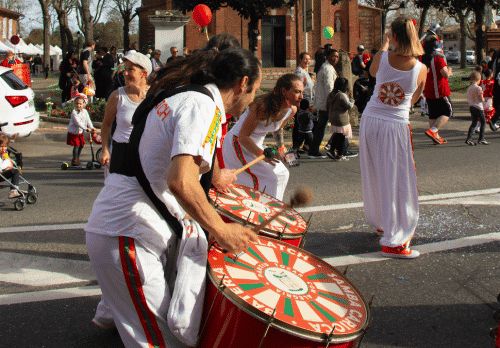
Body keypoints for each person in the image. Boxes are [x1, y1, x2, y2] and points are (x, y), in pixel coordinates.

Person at [85, 46, 261, 348]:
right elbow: (180, 181)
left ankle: (110, 314)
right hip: (127, 232)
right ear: (242, 83)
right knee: (163, 343)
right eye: (255, 90)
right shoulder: (202, 107)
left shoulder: (189, 96)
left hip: (128, 228)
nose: (253, 100)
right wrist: (221, 228)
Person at [360, 16, 427, 259]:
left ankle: (382, 222)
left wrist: (385, 45)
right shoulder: (421, 69)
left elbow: (373, 72)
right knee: (399, 179)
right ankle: (395, 240)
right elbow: (414, 100)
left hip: (371, 119)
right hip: (395, 124)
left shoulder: (382, 56)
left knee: (375, 173)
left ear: (394, 36)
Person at [222, 73, 303, 200]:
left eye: (302, 92)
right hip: (237, 144)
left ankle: (271, 208)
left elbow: (278, 129)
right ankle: (266, 210)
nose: (301, 97)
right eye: (297, 92)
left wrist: (281, 148)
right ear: (284, 91)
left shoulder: (291, 110)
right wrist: (261, 154)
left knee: (282, 174)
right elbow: (243, 137)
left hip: (257, 146)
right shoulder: (262, 106)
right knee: (270, 178)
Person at [99, 51, 152, 175]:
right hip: (119, 154)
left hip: (145, 156)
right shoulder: (117, 96)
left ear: (143, 73)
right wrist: (105, 150)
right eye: (125, 69)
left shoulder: (154, 96)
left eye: (131, 70)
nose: (125, 73)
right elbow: (106, 124)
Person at [421, 34, 452, 145]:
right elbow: (445, 74)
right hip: (440, 90)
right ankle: (433, 131)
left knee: (433, 114)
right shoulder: (438, 58)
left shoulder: (422, 58)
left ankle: (436, 137)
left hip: (428, 90)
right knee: (447, 112)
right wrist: (449, 70)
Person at [310, 48, 339, 158]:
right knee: (340, 125)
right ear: (327, 57)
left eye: (337, 57)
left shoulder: (327, 67)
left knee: (321, 127)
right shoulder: (327, 69)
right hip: (327, 104)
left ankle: (314, 150)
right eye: (333, 56)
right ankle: (340, 149)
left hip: (325, 103)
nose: (335, 59)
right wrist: (334, 102)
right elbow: (329, 88)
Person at [326, 77, 354, 161]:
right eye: (346, 86)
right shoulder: (341, 95)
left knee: (337, 134)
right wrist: (352, 99)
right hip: (342, 118)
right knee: (342, 137)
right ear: (342, 86)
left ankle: (331, 150)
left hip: (333, 117)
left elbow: (327, 105)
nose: (347, 87)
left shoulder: (331, 94)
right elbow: (349, 106)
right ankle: (340, 154)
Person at [292, 52, 314, 153]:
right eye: (305, 59)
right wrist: (299, 104)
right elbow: (298, 88)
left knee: (303, 124)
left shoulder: (305, 71)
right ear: (300, 60)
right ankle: (295, 146)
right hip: (301, 102)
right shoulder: (299, 72)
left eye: (309, 59)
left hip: (307, 102)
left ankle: (301, 145)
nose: (307, 61)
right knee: (298, 124)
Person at [66, 94, 95, 166]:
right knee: (77, 145)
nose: (78, 105)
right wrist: (85, 128)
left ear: (84, 104)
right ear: (74, 104)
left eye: (80, 104)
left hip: (80, 132)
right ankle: (75, 159)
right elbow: (78, 122)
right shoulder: (74, 112)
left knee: (81, 145)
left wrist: (92, 127)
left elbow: (88, 120)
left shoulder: (85, 111)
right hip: (74, 132)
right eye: (77, 104)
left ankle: (77, 158)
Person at [465, 72, 489, 146]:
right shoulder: (479, 88)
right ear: (479, 79)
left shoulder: (469, 88)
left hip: (472, 106)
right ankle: (481, 138)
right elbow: (481, 99)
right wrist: (484, 100)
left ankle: (469, 138)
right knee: (483, 122)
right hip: (479, 107)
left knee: (474, 123)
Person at [0, 134, 21, 198]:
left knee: (16, 171)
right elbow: (1, 166)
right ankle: (13, 190)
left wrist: (14, 165)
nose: (3, 148)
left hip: (2, 173)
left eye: (5, 146)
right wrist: (6, 160)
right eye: (1, 146)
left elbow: (10, 162)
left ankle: (14, 188)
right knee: (14, 172)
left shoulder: (3, 154)